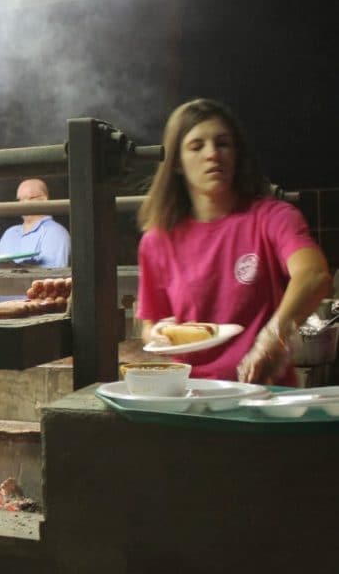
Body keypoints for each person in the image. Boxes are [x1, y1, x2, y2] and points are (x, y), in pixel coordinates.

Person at [137, 98, 330, 385]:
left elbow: (313, 275)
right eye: (197, 146)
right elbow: (151, 322)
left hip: (261, 392)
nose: (212, 154)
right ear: (176, 162)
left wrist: (272, 337)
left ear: (237, 154)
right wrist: (156, 334)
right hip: (192, 395)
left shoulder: (271, 217)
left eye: (223, 143)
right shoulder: (158, 240)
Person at [0, 179, 71, 302]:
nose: (22, 204)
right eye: (19, 200)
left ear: (44, 200)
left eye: (28, 198)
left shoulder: (55, 233)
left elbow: (53, 279)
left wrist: (10, 267)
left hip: (33, 313)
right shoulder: (10, 233)